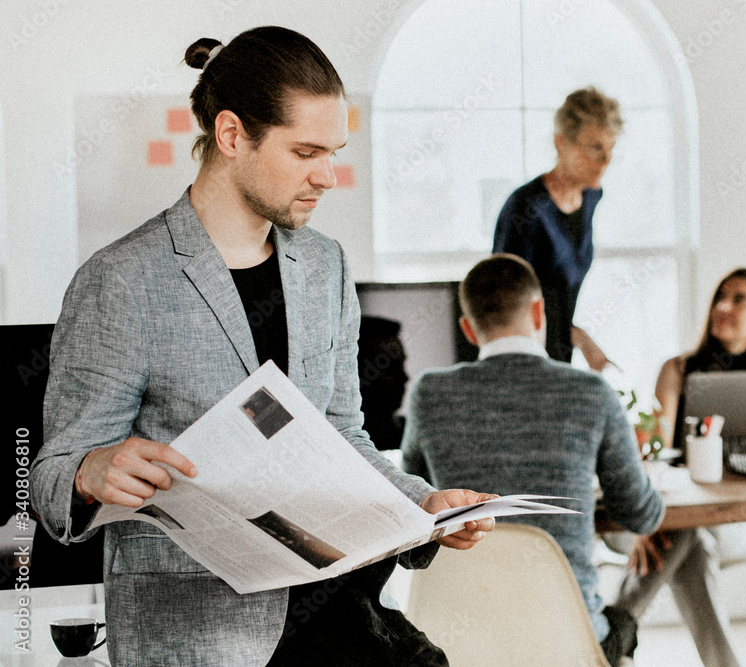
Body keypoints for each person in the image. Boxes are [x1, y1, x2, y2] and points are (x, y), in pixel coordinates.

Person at [30, 26, 494, 665]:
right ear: (230, 136)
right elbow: (51, 478)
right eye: (306, 151)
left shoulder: (325, 265)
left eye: (334, 151)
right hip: (201, 633)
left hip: (336, 613)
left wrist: (422, 504)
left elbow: (342, 436)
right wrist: (90, 469)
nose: (328, 176)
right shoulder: (121, 280)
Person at [401, 253, 665, 665]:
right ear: (540, 310)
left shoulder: (428, 394)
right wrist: (643, 471)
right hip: (567, 639)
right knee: (625, 617)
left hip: (459, 639)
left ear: (469, 329)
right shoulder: (591, 392)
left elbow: (412, 504)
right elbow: (641, 515)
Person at [613, 267, 746, 667]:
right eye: (720, 296)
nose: (723, 306)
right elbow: (653, 454)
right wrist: (646, 521)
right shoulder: (677, 370)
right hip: (668, 515)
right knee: (693, 537)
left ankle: (613, 630)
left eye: (739, 299)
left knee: (692, 534)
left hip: (732, 521)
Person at [493, 86, 621, 370]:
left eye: (611, 148)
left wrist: (581, 339)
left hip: (559, 358)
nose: (605, 160)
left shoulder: (590, 197)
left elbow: (558, 297)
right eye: (595, 147)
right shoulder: (526, 207)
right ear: (561, 143)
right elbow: (503, 305)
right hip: (521, 363)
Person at [357, 316, 408, 451]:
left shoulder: (412, 434)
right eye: (391, 368)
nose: (405, 377)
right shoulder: (335, 439)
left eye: (402, 365)